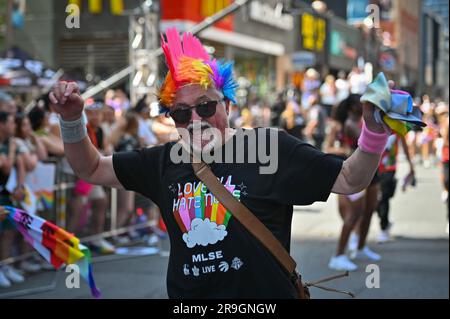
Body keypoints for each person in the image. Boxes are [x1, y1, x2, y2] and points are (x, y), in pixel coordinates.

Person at [49, 29, 390, 298]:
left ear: (227, 103)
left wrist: (373, 133)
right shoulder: (162, 161)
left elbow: (349, 179)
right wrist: (72, 120)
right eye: (181, 113)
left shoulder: (269, 147)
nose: (195, 119)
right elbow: (89, 168)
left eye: (206, 106)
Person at [325, 95, 381, 271]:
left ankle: (360, 247)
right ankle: (338, 255)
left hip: (367, 168)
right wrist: (346, 150)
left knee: (369, 209)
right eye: (360, 104)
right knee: (354, 214)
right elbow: (327, 148)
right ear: (351, 107)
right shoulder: (345, 124)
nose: (363, 107)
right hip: (351, 170)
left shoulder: (361, 121)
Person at [0, 111, 26, 288]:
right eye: (10, 122)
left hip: (6, 194)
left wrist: (20, 186)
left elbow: (22, 164)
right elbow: (7, 166)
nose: (14, 126)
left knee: (9, 229)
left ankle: (5, 265)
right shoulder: (8, 145)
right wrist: (11, 150)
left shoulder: (11, 143)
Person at [376, 133, 415, 243]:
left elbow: (404, 145)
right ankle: (386, 221)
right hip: (372, 167)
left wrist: (411, 166)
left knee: (384, 197)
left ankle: (383, 228)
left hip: (389, 167)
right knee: (374, 201)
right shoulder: (372, 122)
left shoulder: (397, 126)